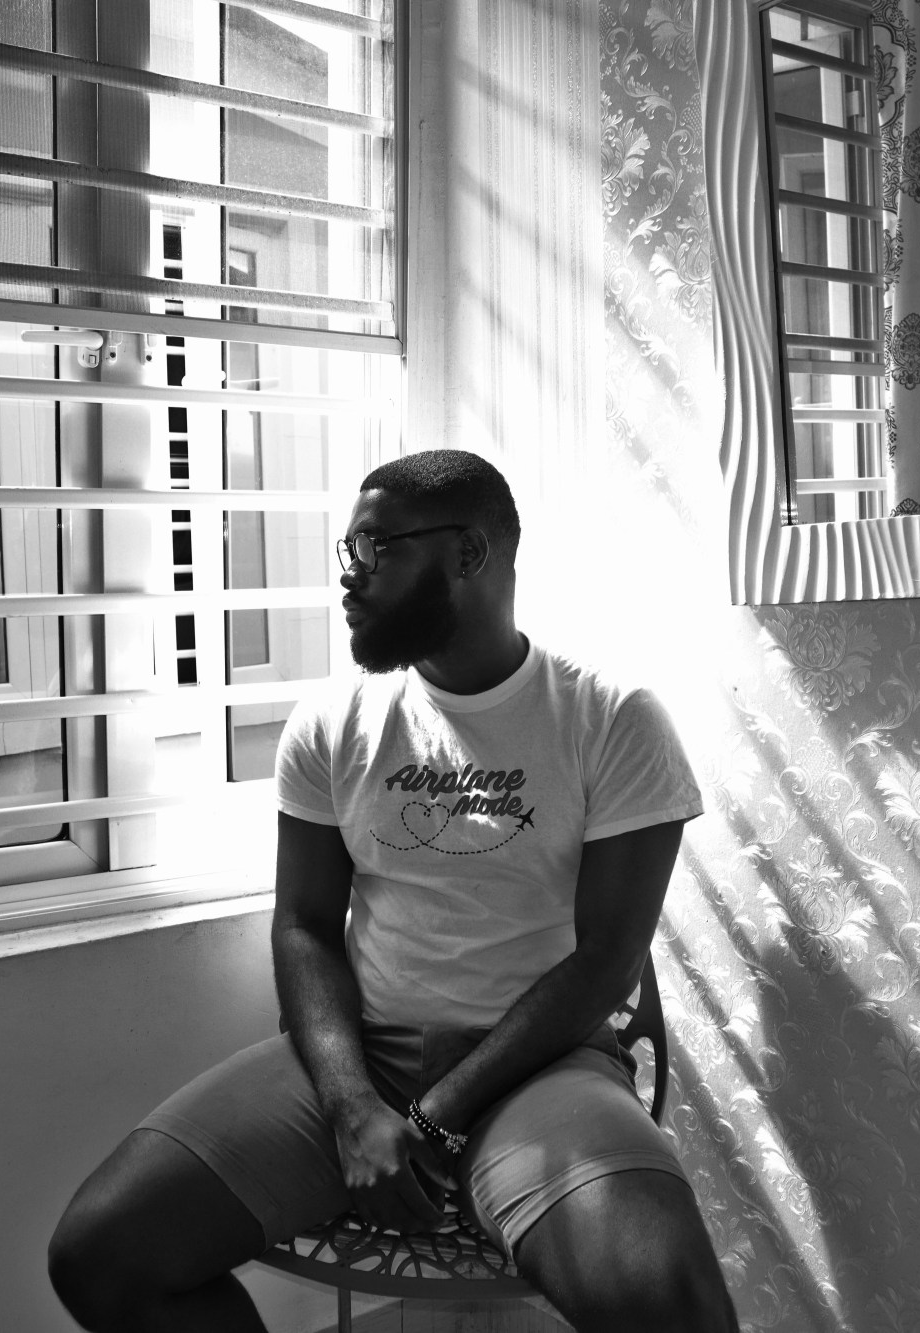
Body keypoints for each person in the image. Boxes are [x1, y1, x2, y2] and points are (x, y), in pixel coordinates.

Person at [47, 450, 738, 1333]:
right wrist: (352, 1106)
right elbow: (303, 927)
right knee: (101, 1255)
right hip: (359, 1060)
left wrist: (435, 1118)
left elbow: (607, 959)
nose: (350, 578)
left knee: (673, 1309)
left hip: (539, 1068)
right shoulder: (332, 724)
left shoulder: (611, 720)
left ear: (470, 554)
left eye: (376, 549)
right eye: (347, 552)